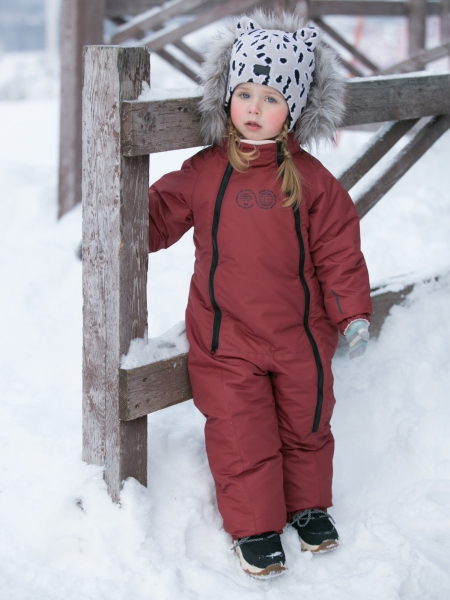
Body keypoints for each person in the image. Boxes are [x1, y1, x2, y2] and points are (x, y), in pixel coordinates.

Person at [148, 9, 372, 579]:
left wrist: (350, 313)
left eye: (270, 98)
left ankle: (309, 507)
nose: (253, 107)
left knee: (307, 423)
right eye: (244, 93)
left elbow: (339, 252)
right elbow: (157, 214)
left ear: (292, 109)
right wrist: (112, 226)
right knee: (239, 431)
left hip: (300, 335)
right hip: (227, 338)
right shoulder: (206, 171)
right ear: (227, 97)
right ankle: (255, 527)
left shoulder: (313, 180)